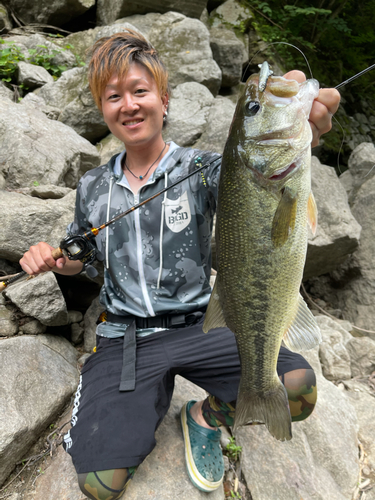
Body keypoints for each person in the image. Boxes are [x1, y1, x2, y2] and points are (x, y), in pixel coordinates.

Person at [20, 30, 340, 499]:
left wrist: (303, 129)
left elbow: (252, 178)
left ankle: (205, 416)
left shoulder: (207, 168)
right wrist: (53, 261)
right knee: (99, 484)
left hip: (201, 326)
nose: (128, 105)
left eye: (140, 91)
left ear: (164, 101)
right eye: (114, 96)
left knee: (296, 390)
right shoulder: (92, 186)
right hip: (125, 338)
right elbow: (85, 262)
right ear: (102, 109)